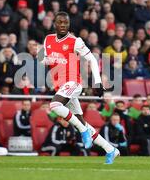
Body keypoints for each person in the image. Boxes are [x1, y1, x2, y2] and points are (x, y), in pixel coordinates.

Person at [41, 11, 118, 164]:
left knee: (55, 105)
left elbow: (93, 59)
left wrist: (97, 82)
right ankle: (110, 149)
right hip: (61, 87)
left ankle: (83, 131)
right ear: (54, 24)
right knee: (81, 121)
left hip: (74, 83)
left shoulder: (75, 41)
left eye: (66, 22)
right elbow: (48, 59)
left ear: (69, 24)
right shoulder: (48, 40)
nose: (63, 25)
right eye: (60, 22)